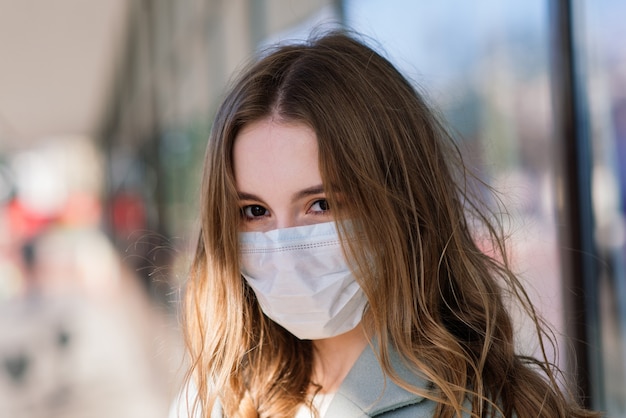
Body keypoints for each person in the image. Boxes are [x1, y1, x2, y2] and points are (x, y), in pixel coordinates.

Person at [173, 31, 601, 417]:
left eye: (320, 204)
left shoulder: (483, 407)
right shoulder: (218, 396)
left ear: (401, 205)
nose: (283, 244)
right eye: (254, 211)